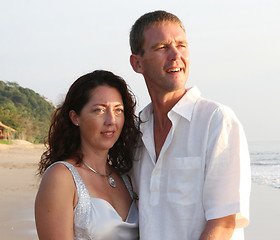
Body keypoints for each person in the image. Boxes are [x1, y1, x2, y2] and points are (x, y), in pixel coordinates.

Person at [129, 10, 251, 240]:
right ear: (137, 63)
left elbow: (224, 223)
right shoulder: (136, 133)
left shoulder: (216, 120)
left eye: (182, 45)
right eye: (162, 47)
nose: (176, 55)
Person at [35, 70, 141, 240]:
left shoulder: (127, 177)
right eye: (99, 110)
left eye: (118, 110)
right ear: (75, 117)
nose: (111, 120)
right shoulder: (61, 177)